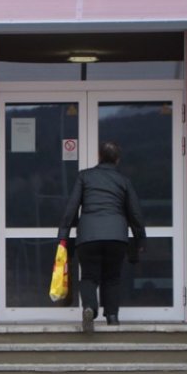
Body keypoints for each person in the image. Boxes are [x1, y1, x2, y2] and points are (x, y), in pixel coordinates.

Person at [57, 141, 146, 331]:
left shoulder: (84, 177)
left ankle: (89, 308)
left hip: (88, 236)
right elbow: (135, 213)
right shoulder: (123, 181)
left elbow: (71, 207)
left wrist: (63, 235)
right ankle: (112, 317)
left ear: (99, 156)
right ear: (117, 160)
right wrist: (140, 239)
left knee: (89, 276)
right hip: (116, 236)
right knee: (112, 277)